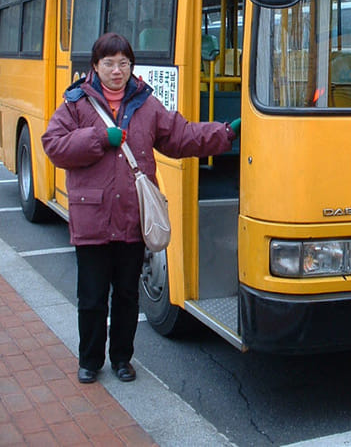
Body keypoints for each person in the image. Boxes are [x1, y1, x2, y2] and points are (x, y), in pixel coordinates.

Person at [41, 33, 240, 384]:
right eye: (109, 63)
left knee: (128, 296)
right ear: (95, 66)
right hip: (92, 220)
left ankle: (121, 359)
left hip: (133, 219)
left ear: (131, 66)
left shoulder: (147, 106)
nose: (117, 71)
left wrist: (225, 133)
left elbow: (182, 137)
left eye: (123, 63)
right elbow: (53, 145)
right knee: (91, 297)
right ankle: (89, 360)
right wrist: (100, 138)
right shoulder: (76, 104)